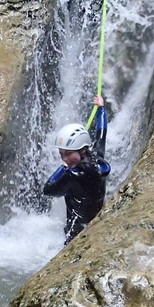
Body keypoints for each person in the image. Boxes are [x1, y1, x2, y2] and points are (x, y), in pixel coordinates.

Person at [43, 95, 111, 244]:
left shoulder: (72, 175)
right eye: (62, 155)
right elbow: (101, 133)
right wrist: (101, 109)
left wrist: (62, 169)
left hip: (76, 231)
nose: (65, 159)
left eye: (68, 154)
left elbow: (47, 190)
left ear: (82, 150)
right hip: (97, 221)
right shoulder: (97, 160)